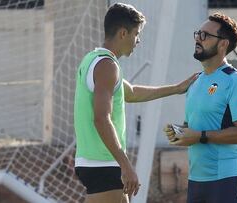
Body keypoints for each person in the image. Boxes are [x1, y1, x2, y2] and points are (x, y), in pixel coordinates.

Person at [73, 3, 197, 203]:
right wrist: (126, 165)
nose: (138, 40)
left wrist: (176, 88)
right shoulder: (107, 65)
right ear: (123, 33)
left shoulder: (94, 59)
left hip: (95, 161)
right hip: (104, 162)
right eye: (136, 34)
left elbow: (131, 92)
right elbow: (101, 119)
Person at [164, 12, 237, 203]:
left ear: (223, 44)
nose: (198, 39)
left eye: (205, 35)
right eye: (198, 34)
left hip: (226, 180)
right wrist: (180, 133)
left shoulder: (236, 80)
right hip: (197, 179)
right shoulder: (196, 81)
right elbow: (193, 130)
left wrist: (200, 136)